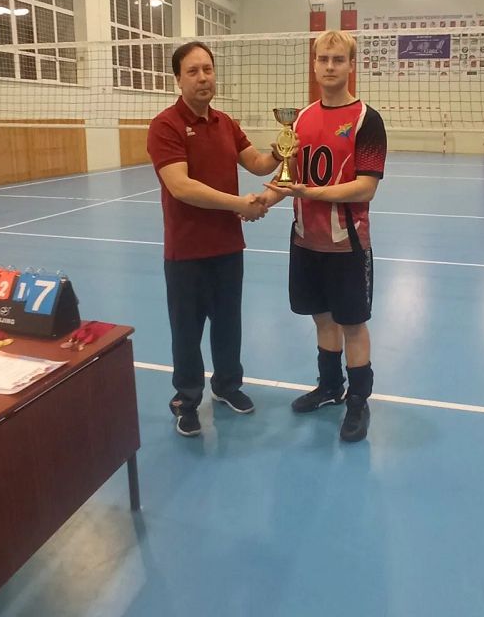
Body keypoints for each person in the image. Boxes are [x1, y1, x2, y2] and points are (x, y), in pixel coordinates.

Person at [147, 40, 284, 437]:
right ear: (178, 79)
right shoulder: (165, 126)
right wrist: (239, 204)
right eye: (193, 71)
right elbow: (181, 187)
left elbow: (256, 162)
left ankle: (227, 386)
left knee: (228, 325)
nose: (203, 77)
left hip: (227, 247)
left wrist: (280, 151)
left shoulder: (226, 122)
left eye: (208, 69)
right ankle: (186, 400)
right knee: (186, 333)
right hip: (186, 251)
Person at [264, 30, 387, 442]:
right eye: (323, 59)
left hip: (347, 243)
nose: (329, 67)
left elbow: (366, 187)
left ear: (351, 65)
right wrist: (262, 201)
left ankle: (358, 402)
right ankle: (330, 387)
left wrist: (311, 193)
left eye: (338, 59)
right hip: (305, 239)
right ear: (314, 64)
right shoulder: (300, 119)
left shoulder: (367, 119)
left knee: (352, 323)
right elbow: (290, 176)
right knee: (321, 318)